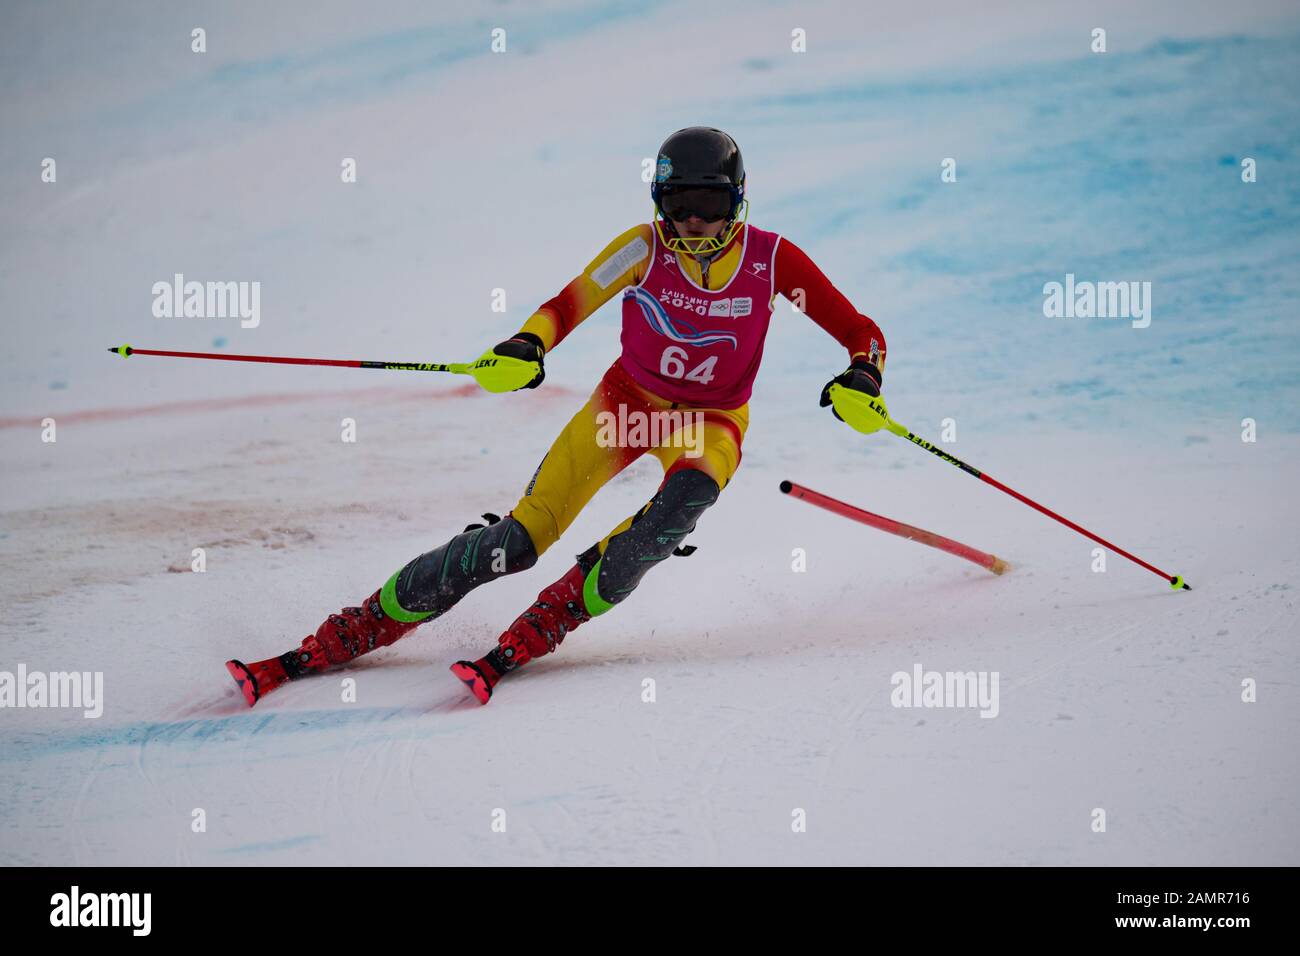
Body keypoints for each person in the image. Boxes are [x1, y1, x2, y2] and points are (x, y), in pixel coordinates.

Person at [226, 126, 889, 706]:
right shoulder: (644, 250)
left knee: (676, 508)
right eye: (676, 206)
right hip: (624, 408)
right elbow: (568, 304)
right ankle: (352, 628)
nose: (691, 224)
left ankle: (552, 618)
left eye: (707, 206)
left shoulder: (772, 260)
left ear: (738, 203)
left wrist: (865, 373)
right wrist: (526, 343)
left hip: (710, 421)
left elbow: (861, 328)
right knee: (516, 545)